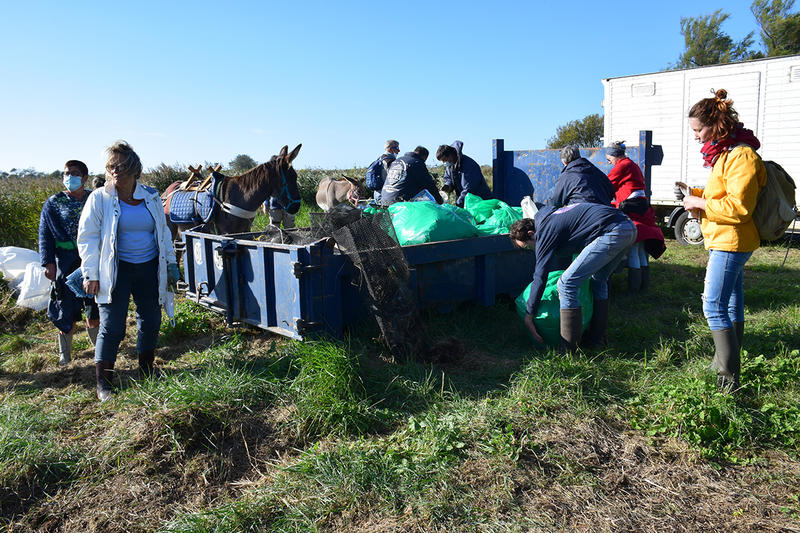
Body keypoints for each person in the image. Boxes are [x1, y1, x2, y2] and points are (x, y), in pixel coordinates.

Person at [676, 89, 766, 392]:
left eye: (698, 129)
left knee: (712, 305)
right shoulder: (726, 154)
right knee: (730, 303)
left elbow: (739, 208)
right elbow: (723, 195)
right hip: (725, 238)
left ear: (716, 123)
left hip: (732, 240)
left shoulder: (742, 156)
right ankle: (726, 358)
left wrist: (699, 205)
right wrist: (695, 195)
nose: (696, 136)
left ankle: (727, 377)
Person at [78, 141, 179, 401]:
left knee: (151, 320)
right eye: (111, 166)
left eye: (120, 166)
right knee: (112, 327)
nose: (114, 171)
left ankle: (146, 370)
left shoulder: (152, 196)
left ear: (135, 168)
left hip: (148, 268)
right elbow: (87, 237)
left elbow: (163, 232)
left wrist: (170, 262)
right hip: (115, 270)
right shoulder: (100, 198)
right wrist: (91, 273)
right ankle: (104, 384)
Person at [509, 203, 636, 352]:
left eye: (529, 246)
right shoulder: (550, 216)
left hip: (613, 231)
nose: (532, 250)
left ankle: (568, 349)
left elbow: (540, 275)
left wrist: (529, 313)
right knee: (599, 281)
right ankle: (596, 339)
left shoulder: (543, 231)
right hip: (629, 227)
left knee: (566, 283)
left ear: (531, 234)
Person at [39, 160, 100, 365]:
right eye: (67, 173)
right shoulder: (54, 202)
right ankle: (65, 355)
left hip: (91, 259)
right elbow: (45, 234)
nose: (70, 177)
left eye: (75, 173)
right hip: (64, 261)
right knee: (65, 307)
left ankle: (98, 350)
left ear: (84, 178)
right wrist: (48, 262)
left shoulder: (95, 198)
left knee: (93, 304)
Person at [605, 142, 666, 292]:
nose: (609, 162)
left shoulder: (622, 165)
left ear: (615, 155)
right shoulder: (632, 164)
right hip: (642, 208)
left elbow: (606, 183)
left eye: (609, 159)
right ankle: (643, 288)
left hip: (632, 209)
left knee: (633, 248)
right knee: (640, 250)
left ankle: (633, 292)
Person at [549, 145, 615, 208]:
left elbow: (554, 203)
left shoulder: (566, 176)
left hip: (583, 215)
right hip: (606, 212)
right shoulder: (597, 172)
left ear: (564, 162)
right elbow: (611, 192)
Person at [435, 141, 492, 207]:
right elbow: (448, 178)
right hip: (468, 202)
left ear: (450, 155)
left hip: (480, 201)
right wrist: (448, 186)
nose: (444, 162)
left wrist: (459, 203)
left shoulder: (468, 165)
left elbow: (469, 189)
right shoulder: (451, 166)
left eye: (444, 160)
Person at [365, 140, 400, 204]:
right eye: (397, 148)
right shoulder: (389, 160)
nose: (399, 151)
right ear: (390, 149)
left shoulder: (380, 159)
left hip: (377, 193)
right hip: (386, 194)